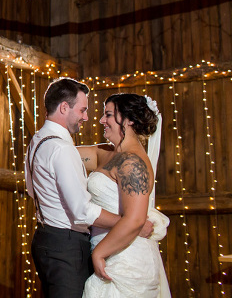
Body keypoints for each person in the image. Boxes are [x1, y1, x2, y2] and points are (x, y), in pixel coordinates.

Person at [26, 78, 126, 297]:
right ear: (64, 107)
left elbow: (32, 191)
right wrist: (127, 224)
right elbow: (83, 211)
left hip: (46, 239)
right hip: (66, 247)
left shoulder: (37, 141)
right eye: (82, 110)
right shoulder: (61, 149)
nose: (86, 117)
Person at [78, 93, 170, 297]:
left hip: (128, 261)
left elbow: (135, 219)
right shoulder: (106, 154)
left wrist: (100, 253)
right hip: (110, 255)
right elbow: (65, 155)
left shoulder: (132, 162)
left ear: (128, 120)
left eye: (108, 115)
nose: (102, 120)